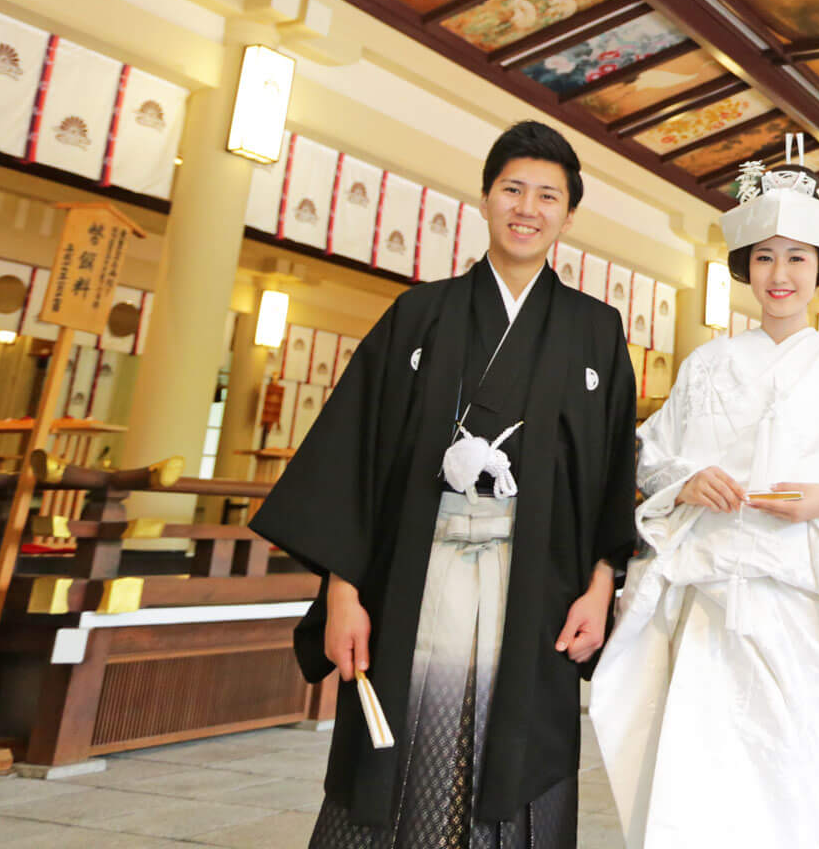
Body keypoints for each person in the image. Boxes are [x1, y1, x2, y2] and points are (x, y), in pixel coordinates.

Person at [252, 121, 637, 849]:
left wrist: (601, 585)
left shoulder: (596, 330)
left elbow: (611, 472)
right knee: (396, 751)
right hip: (411, 578)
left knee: (520, 756)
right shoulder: (419, 314)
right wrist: (342, 592)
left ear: (569, 215)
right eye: (513, 189)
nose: (527, 208)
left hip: (539, 587)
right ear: (486, 197)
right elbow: (354, 458)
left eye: (547, 196)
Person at [592, 153, 819, 849]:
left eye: (798, 258)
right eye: (766, 257)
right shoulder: (706, 366)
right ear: (746, 266)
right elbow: (652, 454)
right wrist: (685, 482)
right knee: (703, 783)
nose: (780, 276)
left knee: (799, 779)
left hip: (803, 613)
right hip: (713, 611)